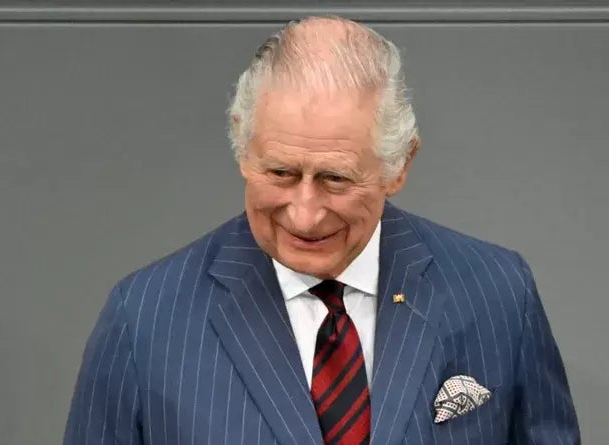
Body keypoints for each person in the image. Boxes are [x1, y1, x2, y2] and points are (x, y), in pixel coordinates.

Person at [63, 16, 580, 445]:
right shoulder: (145, 318)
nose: (305, 214)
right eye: (281, 174)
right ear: (243, 151)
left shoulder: (498, 292)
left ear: (399, 165)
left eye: (335, 178)